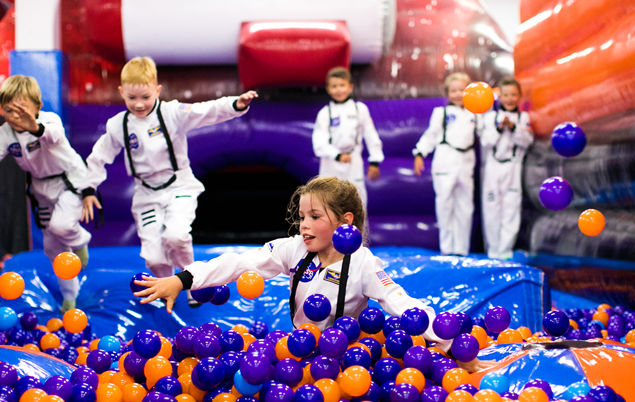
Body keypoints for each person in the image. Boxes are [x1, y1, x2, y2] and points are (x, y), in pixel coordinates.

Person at [133, 176, 490, 371]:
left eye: (315, 217)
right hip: (300, 353)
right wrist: (180, 280)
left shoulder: (362, 262)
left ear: (345, 222)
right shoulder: (294, 250)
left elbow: (402, 304)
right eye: (302, 216)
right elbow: (239, 262)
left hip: (348, 361)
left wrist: (452, 345)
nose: (304, 225)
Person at [81, 57, 257, 295]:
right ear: (121, 92)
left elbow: (204, 110)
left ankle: (193, 282)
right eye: (132, 98)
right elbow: (98, 156)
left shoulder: (171, 113)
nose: (139, 104)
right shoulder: (118, 125)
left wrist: (235, 104)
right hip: (146, 193)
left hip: (178, 185)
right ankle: (165, 289)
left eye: (146, 97)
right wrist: (89, 188)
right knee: (154, 257)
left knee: (176, 236)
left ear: (157, 90)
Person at [0, 75, 91, 312]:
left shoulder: (49, 120)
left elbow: (53, 134)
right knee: (52, 248)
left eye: (22, 109)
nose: (16, 116)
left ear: (38, 106)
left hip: (71, 181)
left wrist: (34, 127)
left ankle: (80, 242)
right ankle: (70, 297)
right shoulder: (6, 132)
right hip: (42, 190)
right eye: (9, 110)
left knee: (62, 226)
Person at [413, 73, 479, 256]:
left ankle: (461, 250)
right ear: (447, 93)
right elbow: (431, 135)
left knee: (465, 208)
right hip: (445, 161)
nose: (458, 94)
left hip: (466, 163)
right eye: (454, 90)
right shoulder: (440, 113)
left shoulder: (475, 113)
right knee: (445, 206)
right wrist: (419, 153)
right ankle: (447, 250)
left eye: (462, 90)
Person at [312, 67, 383, 209]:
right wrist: (337, 155)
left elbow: (371, 135)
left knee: (357, 205)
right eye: (334, 86)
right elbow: (319, 143)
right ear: (328, 89)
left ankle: (357, 232)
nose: (338, 90)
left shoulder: (359, 109)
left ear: (350, 87)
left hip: (353, 162)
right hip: (330, 165)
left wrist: (375, 161)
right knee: (329, 206)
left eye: (342, 85)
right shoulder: (325, 113)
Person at [480, 77, 534, 260]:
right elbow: (485, 142)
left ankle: (505, 251)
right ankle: (493, 250)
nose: (509, 99)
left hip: (513, 167)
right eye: (506, 95)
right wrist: (497, 128)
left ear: (519, 97)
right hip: (493, 167)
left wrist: (513, 128)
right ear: (499, 97)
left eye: (513, 95)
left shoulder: (523, 118)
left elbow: (527, 142)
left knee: (511, 207)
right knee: (491, 208)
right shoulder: (489, 117)